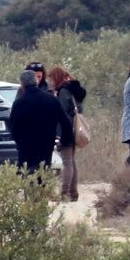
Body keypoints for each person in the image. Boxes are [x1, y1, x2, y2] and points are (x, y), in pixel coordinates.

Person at [8, 68, 66, 175]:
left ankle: (30, 191)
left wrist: (19, 142)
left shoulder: (19, 103)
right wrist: (64, 140)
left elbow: (13, 126)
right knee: (43, 173)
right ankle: (42, 191)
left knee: (26, 174)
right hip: (46, 144)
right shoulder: (51, 100)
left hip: (26, 146)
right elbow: (64, 122)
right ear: (36, 82)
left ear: (22, 84)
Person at [46, 66, 86, 202]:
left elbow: (62, 115)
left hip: (66, 131)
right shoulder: (73, 90)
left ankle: (65, 193)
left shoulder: (63, 92)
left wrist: (61, 135)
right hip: (74, 131)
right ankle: (73, 193)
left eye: (51, 79)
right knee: (72, 162)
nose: (50, 82)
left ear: (56, 78)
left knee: (67, 162)